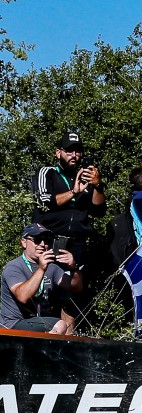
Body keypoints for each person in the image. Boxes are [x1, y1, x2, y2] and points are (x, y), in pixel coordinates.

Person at [32, 131, 105, 267]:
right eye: (69, 151)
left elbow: (99, 211)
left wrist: (98, 186)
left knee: (75, 279)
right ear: (58, 153)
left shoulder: (86, 179)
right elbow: (44, 201)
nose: (74, 155)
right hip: (49, 241)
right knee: (49, 278)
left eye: (78, 151)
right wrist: (74, 192)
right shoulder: (47, 173)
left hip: (78, 244)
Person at [0, 224, 83, 334]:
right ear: (24, 242)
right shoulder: (14, 267)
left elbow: (76, 287)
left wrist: (73, 267)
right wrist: (41, 269)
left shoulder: (52, 267)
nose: (42, 244)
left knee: (66, 325)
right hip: (12, 325)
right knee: (60, 325)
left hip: (38, 322)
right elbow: (22, 296)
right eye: (37, 240)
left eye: (47, 241)